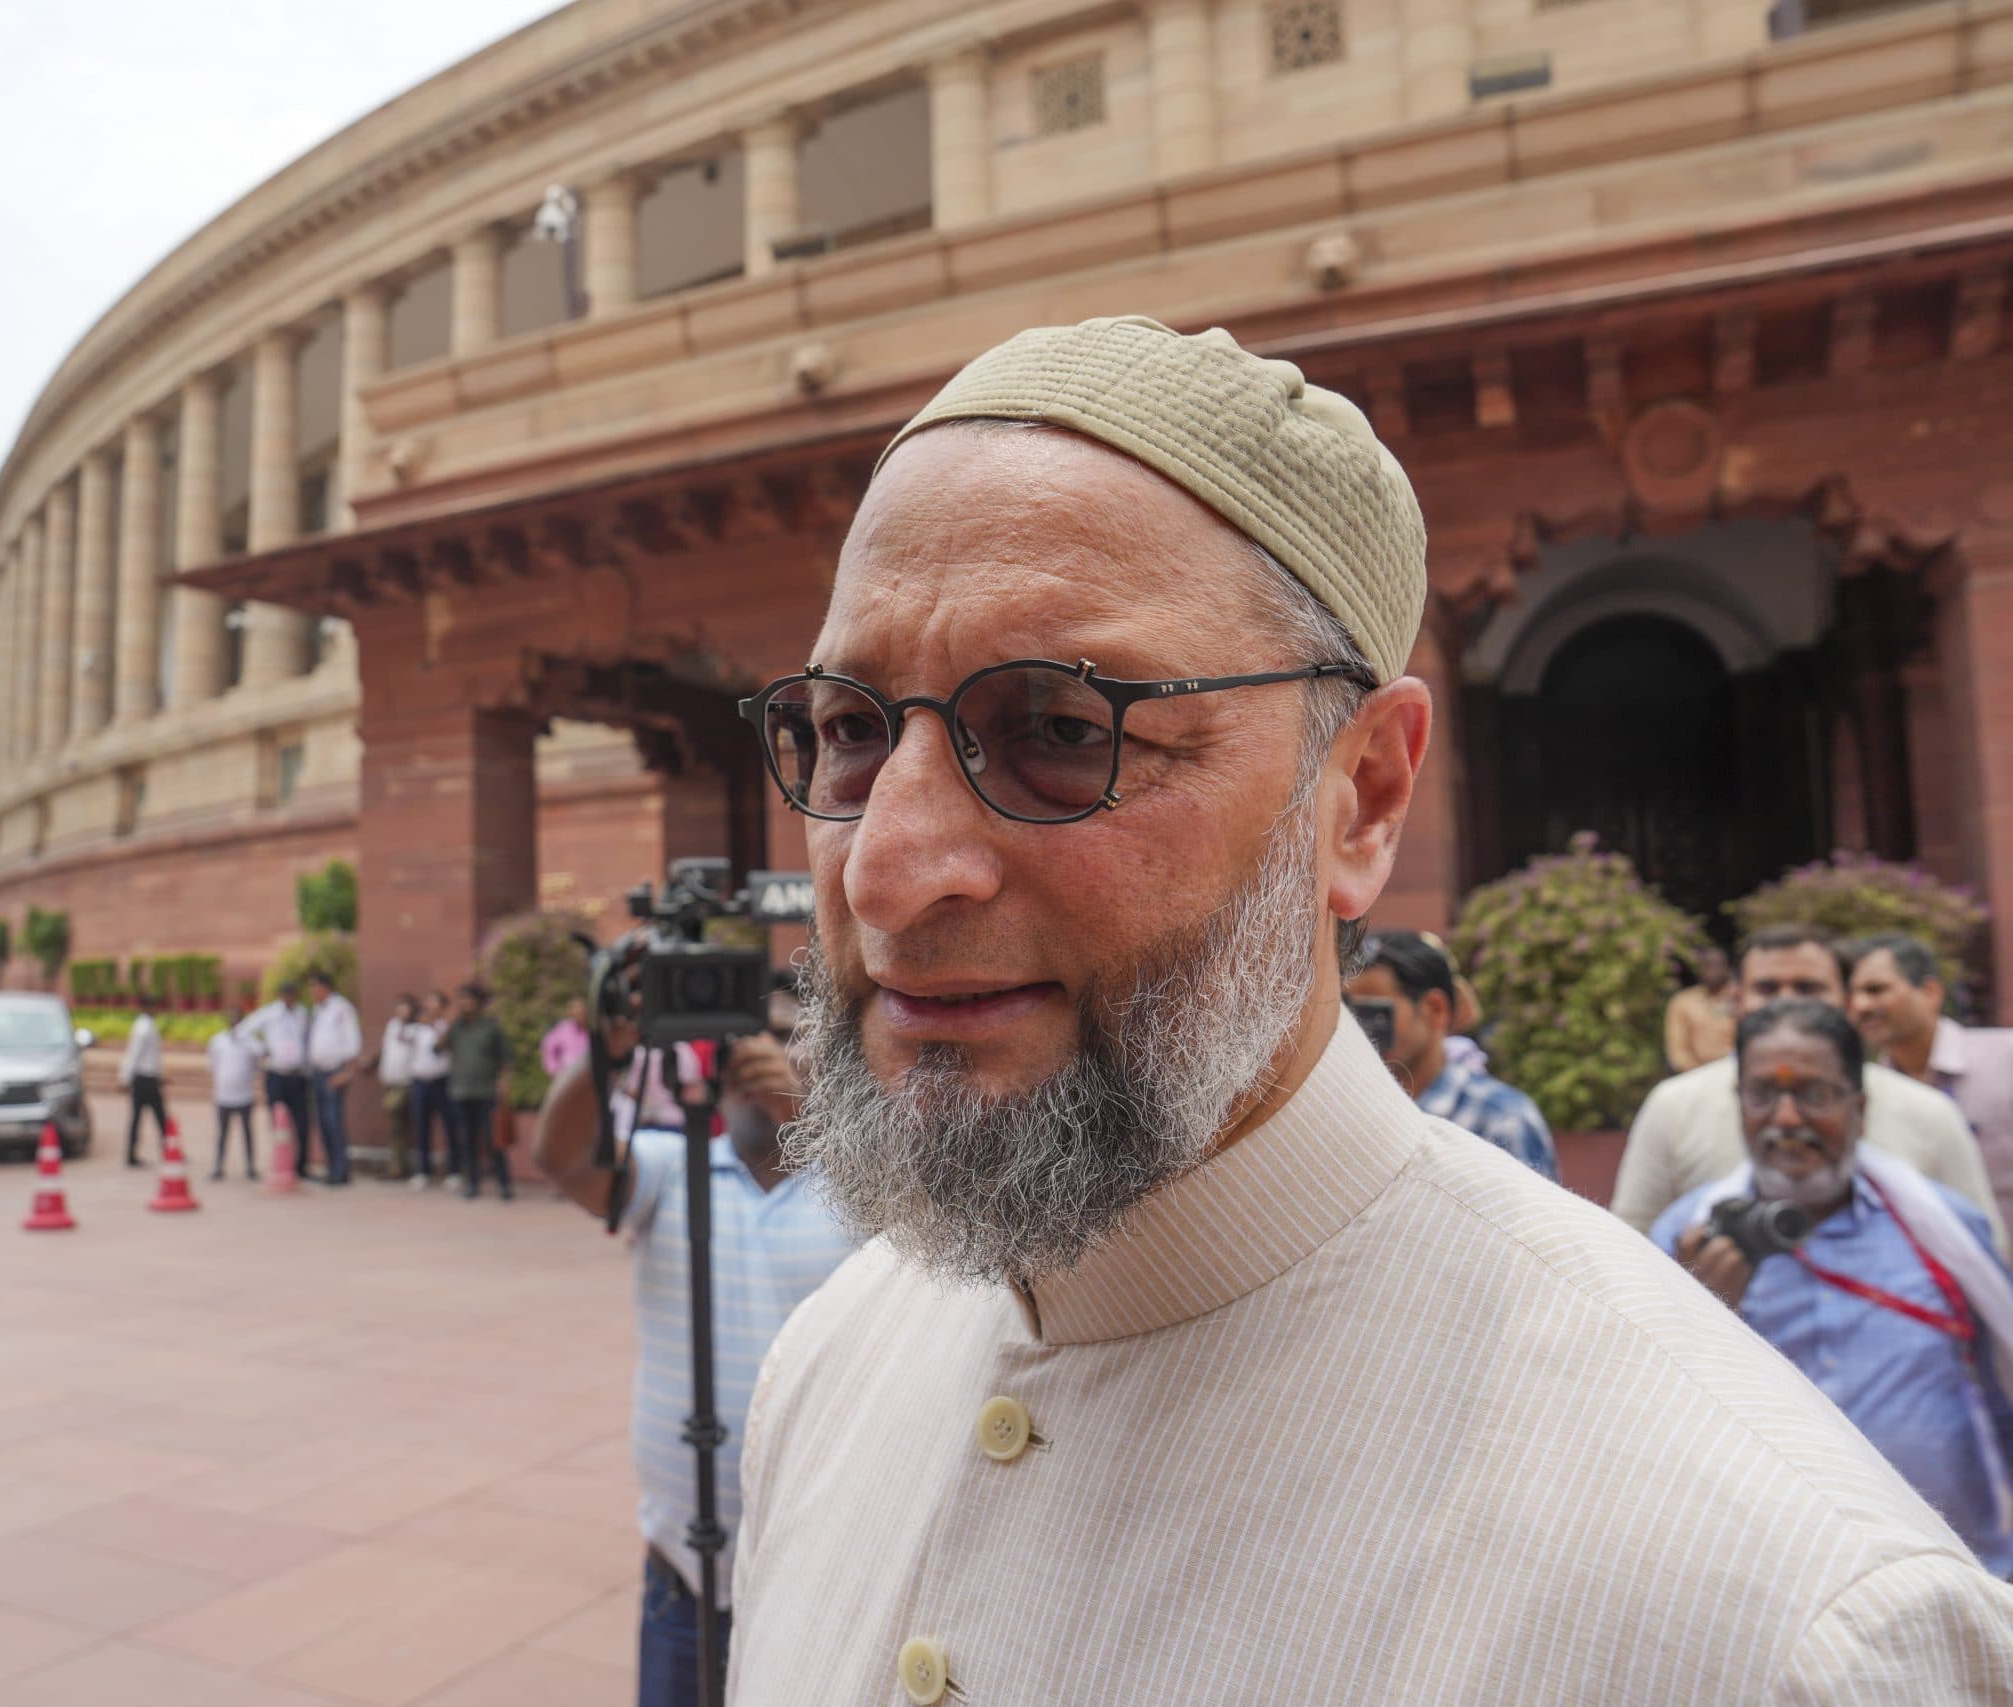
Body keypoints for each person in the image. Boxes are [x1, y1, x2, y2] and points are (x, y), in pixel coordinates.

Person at [724, 317, 2013, 1703]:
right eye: (852, 728)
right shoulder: (832, 1364)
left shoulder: (1781, 1620)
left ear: (1364, 797)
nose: (887, 869)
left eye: (1060, 727)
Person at [535, 1017, 859, 1707]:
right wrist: (611, 1044)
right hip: (687, 1579)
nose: (761, 1053)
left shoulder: (863, 1185)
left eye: (787, 1032)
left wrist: (814, 1116)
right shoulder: (669, 1165)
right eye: (745, 1035)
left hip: (830, 1573)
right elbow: (559, 1156)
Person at [1653, 1000, 2013, 1574]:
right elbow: (1649, 1425)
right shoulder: (1684, 1244)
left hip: (1957, 1573)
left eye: (1814, 1095)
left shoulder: (1944, 1231)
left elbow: (2001, 1392)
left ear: (1860, 1109)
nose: (1787, 1118)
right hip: (1771, 1584)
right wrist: (1700, 1317)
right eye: (1763, 1094)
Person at [1609, 924, 2002, 1250]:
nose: (1788, 1003)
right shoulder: (1675, 1106)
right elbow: (1629, 1249)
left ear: (1848, 1001)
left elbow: (1979, 1255)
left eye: (1808, 988)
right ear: (1738, 999)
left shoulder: (1927, 1111)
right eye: (1767, 988)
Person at [1347, 929, 1558, 1181]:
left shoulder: (1502, 1120)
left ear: (1434, 1010)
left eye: (1375, 1013)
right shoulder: (1350, 1113)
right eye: (1349, 1010)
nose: (1358, 1027)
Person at [1853, 931, 2013, 1237]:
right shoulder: (1867, 1095)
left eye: (1876, 990)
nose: (1860, 1005)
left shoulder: (2005, 1060)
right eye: (1854, 992)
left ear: (1929, 993)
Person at [443, 984, 510, 1201]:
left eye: (467, 999)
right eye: (460, 999)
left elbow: (506, 1059)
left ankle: (504, 1184)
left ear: (479, 1002)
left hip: (486, 1091)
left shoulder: (491, 1027)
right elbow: (438, 1048)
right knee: (468, 1140)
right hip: (461, 1091)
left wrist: (504, 1084)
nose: (463, 1003)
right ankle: (472, 1183)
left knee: (493, 1140)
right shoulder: (456, 1028)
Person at [242, 982, 313, 1182]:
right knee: (278, 1122)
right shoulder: (269, 1013)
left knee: (302, 1122)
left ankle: (301, 1166)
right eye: (287, 995)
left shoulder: (302, 1013)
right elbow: (243, 1031)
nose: (290, 998)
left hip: (297, 1075)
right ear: (282, 996)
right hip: (276, 1074)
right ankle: (281, 1162)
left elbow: (307, 1041)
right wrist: (262, 1050)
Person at [303, 969, 363, 1186]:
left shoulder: (342, 1008)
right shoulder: (318, 1010)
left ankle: (340, 1170)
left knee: (334, 1121)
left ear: (325, 987)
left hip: (335, 1072)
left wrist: (346, 1073)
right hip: (318, 1072)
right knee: (323, 1123)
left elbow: (353, 1041)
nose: (312, 991)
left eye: (314, 986)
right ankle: (331, 1168)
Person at [205, 1005, 262, 1182]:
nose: (235, 1023)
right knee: (223, 1133)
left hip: (244, 1095)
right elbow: (212, 1065)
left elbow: (259, 1057)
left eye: (239, 1020)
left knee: (247, 1132)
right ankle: (218, 1167)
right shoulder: (218, 1041)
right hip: (224, 1095)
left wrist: (246, 1037)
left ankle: (251, 1167)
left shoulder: (250, 1042)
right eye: (233, 1019)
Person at [1665, 943, 1738, 1072]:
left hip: (1736, 1072)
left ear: (1728, 968)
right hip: (1695, 1075)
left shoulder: (1740, 998)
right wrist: (1699, 1075)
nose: (1710, 971)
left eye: (1716, 965)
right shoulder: (1683, 1002)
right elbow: (1678, 1053)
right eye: (1706, 966)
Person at [407, 990, 452, 1189]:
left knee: (449, 1127)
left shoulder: (447, 1027)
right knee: (421, 1128)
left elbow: (445, 1046)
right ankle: (423, 1171)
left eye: (435, 1003)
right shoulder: (417, 1028)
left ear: (442, 1007)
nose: (430, 1006)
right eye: (428, 1002)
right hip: (420, 1082)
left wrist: (433, 1026)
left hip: (442, 1082)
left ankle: (455, 1171)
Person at [119, 989, 167, 1167]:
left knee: (151, 1117)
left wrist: (160, 1075)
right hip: (143, 1079)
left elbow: (152, 1056)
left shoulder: (148, 1025)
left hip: (149, 1077)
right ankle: (133, 1154)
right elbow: (134, 1054)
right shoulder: (143, 1027)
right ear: (148, 1007)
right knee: (152, 1116)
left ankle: (165, 1149)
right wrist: (124, 1077)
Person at [375, 993, 420, 1180]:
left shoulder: (417, 1029)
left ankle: (402, 1166)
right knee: (395, 1127)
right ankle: (398, 1166)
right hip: (390, 1081)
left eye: (405, 1007)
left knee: (401, 1124)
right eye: (399, 1007)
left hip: (406, 1082)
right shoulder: (392, 1026)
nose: (402, 1011)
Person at [540, 997, 591, 1084]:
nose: (579, 1016)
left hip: (588, 1077)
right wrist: (554, 1070)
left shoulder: (592, 1030)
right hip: (567, 1077)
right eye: (576, 1014)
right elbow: (547, 1047)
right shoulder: (563, 1029)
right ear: (571, 1014)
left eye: (581, 1013)